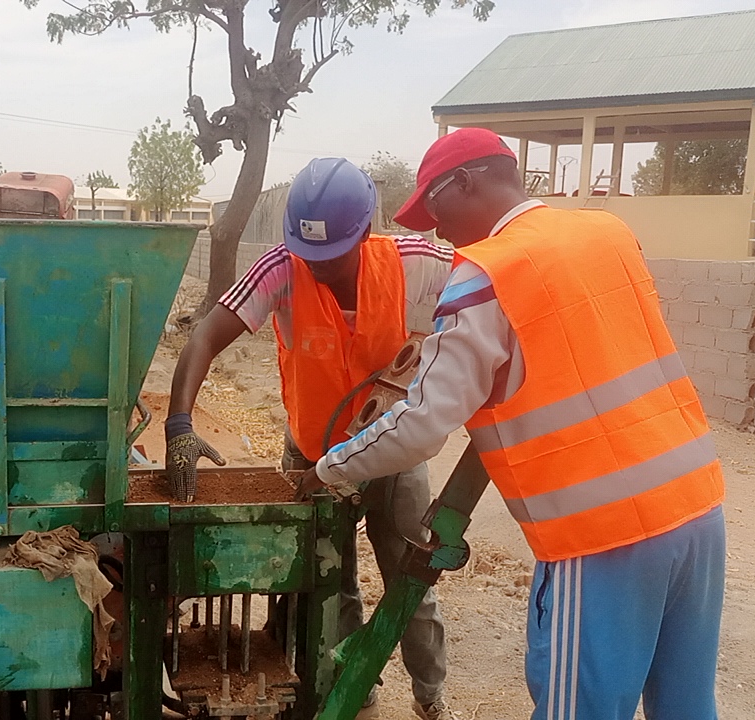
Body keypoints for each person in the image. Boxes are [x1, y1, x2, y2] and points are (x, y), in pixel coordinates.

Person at [296, 128, 726, 720]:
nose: (437, 230)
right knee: (686, 707)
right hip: (698, 509)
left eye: (435, 208)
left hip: (603, 533)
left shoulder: (488, 272)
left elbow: (423, 423)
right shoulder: (607, 234)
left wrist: (331, 467)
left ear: (467, 180)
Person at [166, 158, 455, 720]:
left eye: (330, 255)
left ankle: (431, 696)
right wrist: (180, 424)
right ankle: (354, 684)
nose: (315, 266)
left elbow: (492, 276)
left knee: (411, 579)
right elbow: (206, 334)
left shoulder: (413, 261)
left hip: (393, 453)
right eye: (307, 252)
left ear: (365, 234)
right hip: (312, 457)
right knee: (330, 580)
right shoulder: (283, 266)